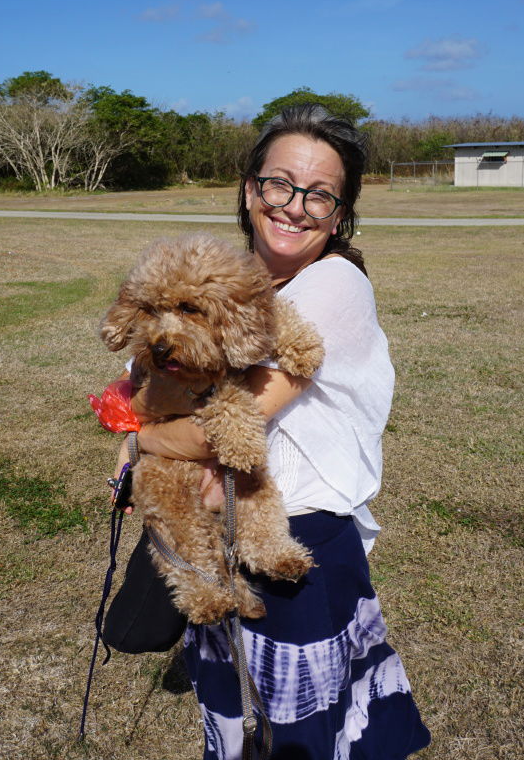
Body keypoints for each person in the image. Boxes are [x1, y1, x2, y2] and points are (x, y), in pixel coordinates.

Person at [118, 104, 431, 759]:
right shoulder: (219, 278)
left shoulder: (334, 284)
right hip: (215, 540)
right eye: (279, 183)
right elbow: (143, 375)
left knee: (305, 737)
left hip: (298, 540)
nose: (295, 205)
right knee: (235, 727)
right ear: (249, 189)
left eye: (320, 193)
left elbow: (218, 429)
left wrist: (137, 440)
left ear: (339, 214)